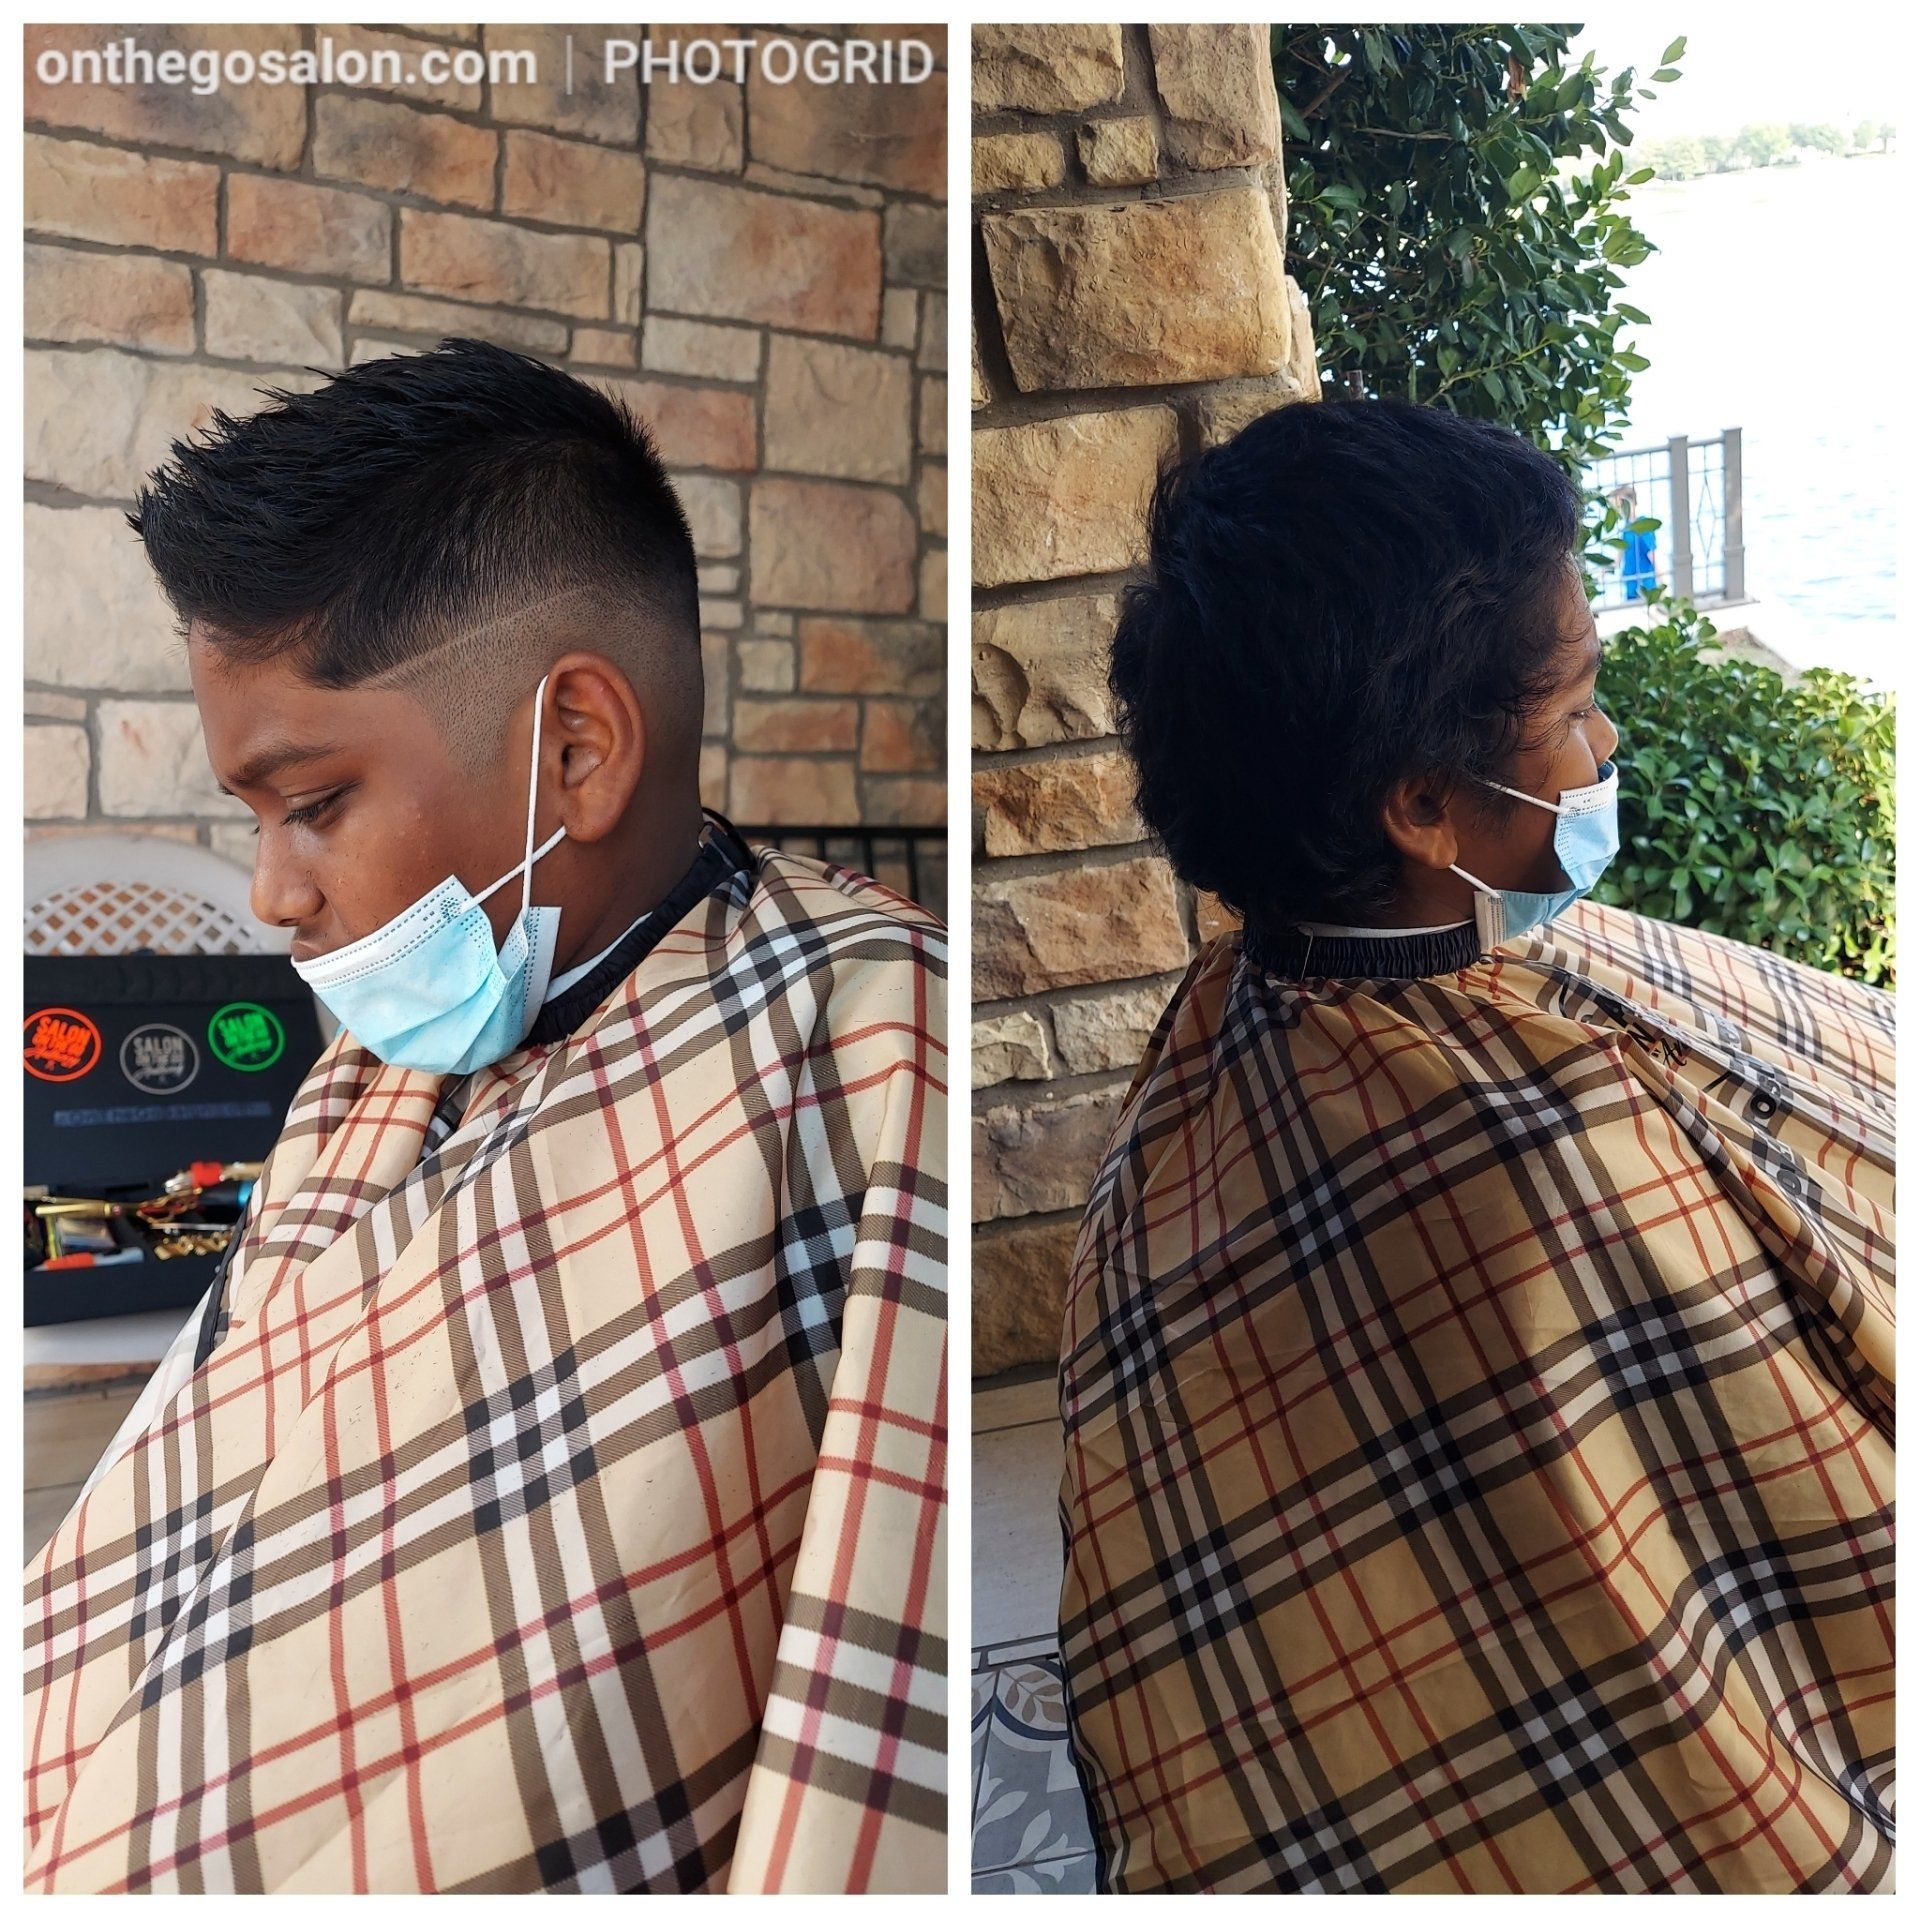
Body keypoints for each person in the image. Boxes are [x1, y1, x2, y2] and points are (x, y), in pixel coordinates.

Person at [24, 341, 949, 1895]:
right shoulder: (373, 1066)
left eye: (311, 805)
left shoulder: (867, 1045)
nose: (274, 893)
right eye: (254, 822)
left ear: (574, 749)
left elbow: (874, 1725)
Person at [1059, 399, 1892, 1894]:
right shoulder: (1552, 1153)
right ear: (1429, 804)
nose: (1608, 739)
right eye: (1575, 708)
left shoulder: (1205, 1064)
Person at [1610, 482, 1659, 599]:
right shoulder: (1627, 528)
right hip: (1631, 586)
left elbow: (1653, 556)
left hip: (1646, 587)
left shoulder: (1644, 526)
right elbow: (1618, 559)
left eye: (1617, 506)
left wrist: (1663, 585)